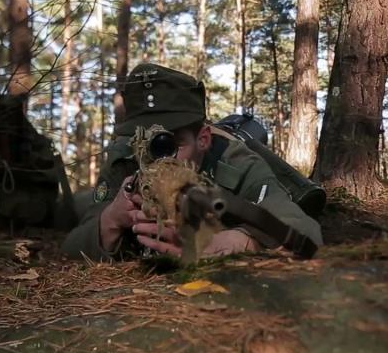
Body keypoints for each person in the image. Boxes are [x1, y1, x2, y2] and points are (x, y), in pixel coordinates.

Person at [62, 63, 323, 261]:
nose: (153, 161)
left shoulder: (236, 163)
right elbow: (70, 246)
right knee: (67, 208)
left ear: (203, 139)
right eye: (142, 143)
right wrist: (110, 220)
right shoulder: (125, 160)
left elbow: (303, 228)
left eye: (168, 145)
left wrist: (237, 241)